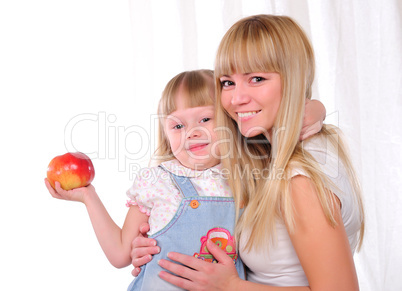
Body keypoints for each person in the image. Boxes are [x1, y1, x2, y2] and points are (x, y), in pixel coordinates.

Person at [132, 15, 365, 291]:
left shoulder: (299, 180)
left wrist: (231, 287)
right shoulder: (276, 148)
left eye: (256, 78)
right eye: (228, 82)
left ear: (293, 78)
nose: (235, 98)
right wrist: (162, 244)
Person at [45, 68, 324, 289]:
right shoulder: (156, 181)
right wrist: (88, 196)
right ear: (165, 132)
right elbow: (120, 254)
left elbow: (297, 120)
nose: (191, 131)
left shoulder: (250, 171)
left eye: (205, 119)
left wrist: (317, 109)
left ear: (231, 122)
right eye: (177, 125)